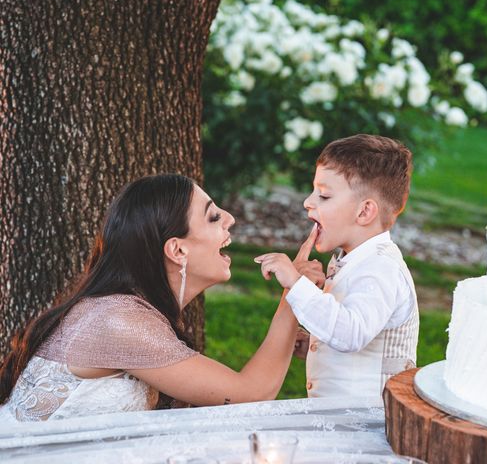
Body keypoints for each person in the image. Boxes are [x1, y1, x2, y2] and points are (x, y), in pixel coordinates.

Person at [0, 174, 322, 422]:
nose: (230, 219)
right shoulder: (120, 321)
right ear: (177, 250)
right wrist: (295, 292)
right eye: (213, 217)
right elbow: (249, 395)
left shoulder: (124, 311)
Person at [255, 134, 420, 398]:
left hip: (369, 424)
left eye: (324, 195)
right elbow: (352, 329)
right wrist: (315, 343)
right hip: (338, 417)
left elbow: (352, 333)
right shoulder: (352, 257)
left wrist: (296, 284)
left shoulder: (381, 267)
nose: (308, 202)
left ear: (364, 212)